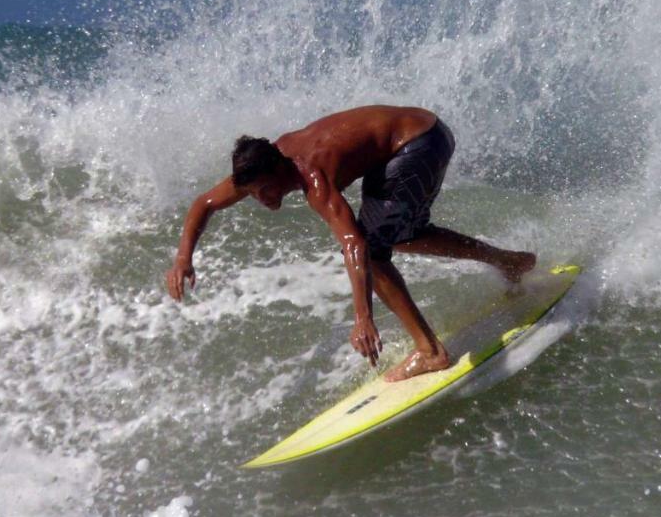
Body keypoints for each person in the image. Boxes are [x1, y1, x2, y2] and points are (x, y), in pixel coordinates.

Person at [165, 105, 536, 381]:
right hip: (419, 139)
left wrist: (364, 318)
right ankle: (509, 262)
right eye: (253, 194)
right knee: (403, 235)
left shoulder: (312, 177)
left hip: (419, 144)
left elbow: (354, 244)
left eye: (264, 191)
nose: (262, 200)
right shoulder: (262, 164)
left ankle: (430, 352)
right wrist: (184, 258)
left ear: (280, 172)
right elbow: (205, 203)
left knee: (374, 249)